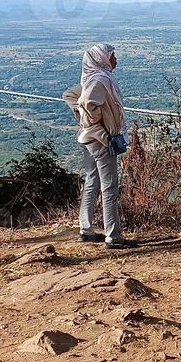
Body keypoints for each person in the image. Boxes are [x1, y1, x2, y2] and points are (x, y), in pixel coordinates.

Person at [63, 42, 132, 247]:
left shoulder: (91, 78)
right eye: (112, 55)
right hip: (100, 141)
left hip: (89, 139)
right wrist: (98, 128)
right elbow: (86, 102)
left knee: (92, 181)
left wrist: (85, 121)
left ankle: (86, 229)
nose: (115, 59)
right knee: (110, 186)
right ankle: (113, 236)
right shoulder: (100, 81)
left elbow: (70, 95)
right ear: (101, 59)